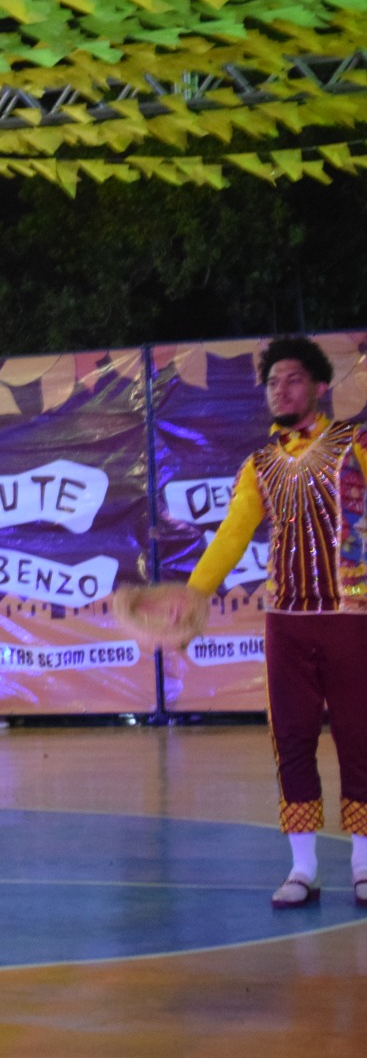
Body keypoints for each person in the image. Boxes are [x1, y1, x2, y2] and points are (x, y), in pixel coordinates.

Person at [173, 335, 367, 909]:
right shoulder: (258, 467)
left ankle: (363, 863)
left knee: (360, 737)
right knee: (292, 739)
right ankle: (303, 867)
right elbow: (233, 534)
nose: (280, 390)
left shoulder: (356, 445)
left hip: (351, 616)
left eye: (293, 380)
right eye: (272, 382)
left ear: (321, 387)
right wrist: (194, 594)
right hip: (286, 623)